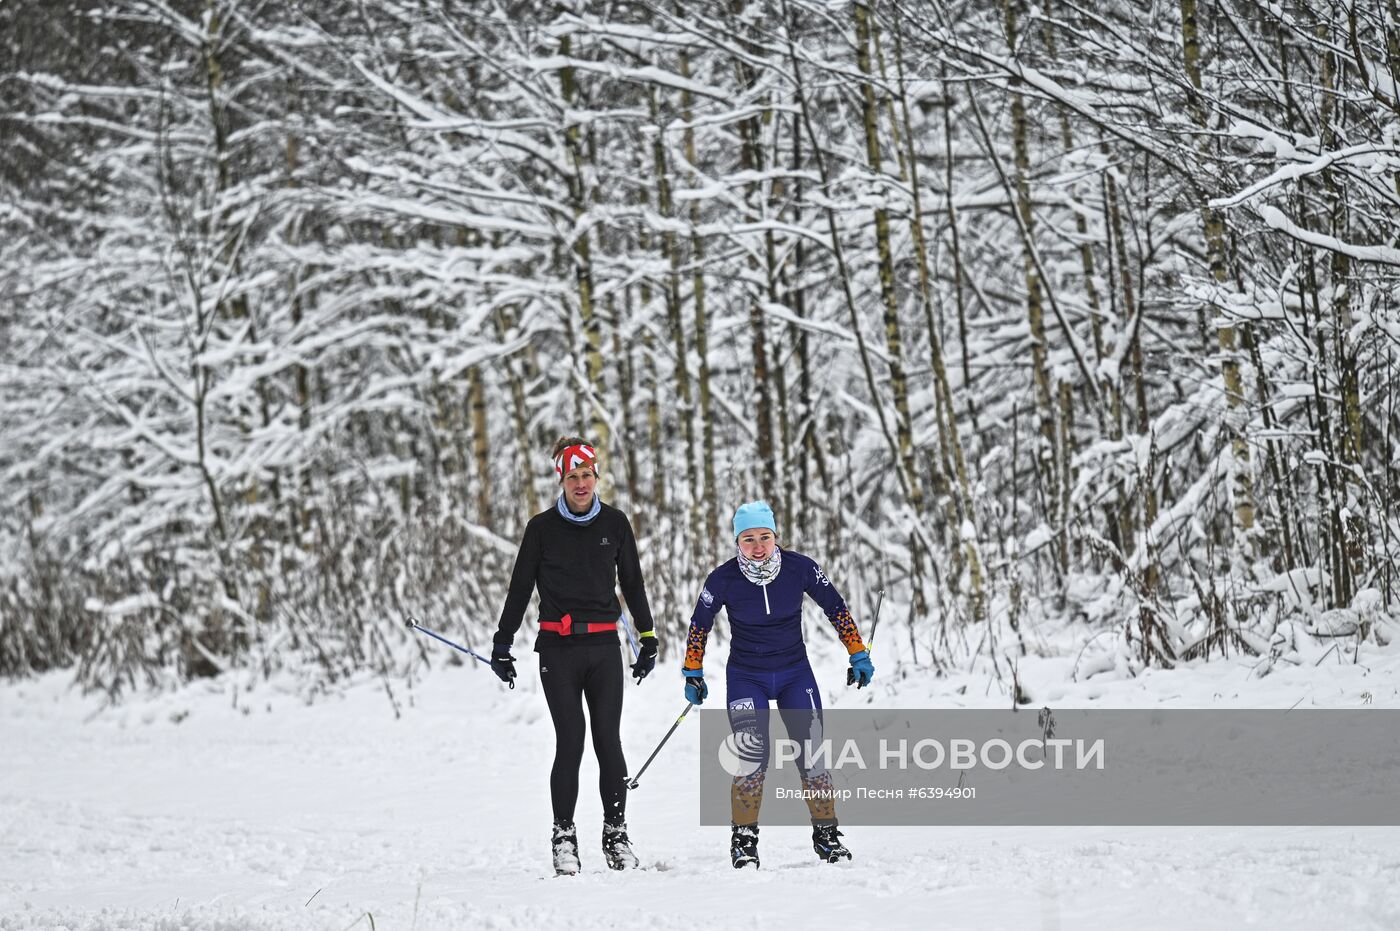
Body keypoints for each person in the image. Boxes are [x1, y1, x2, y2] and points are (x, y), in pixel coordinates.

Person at [491, 436, 659, 876]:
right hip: (559, 650)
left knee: (609, 740)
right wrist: (502, 643)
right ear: (561, 480)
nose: (581, 483)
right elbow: (520, 589)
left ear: (596, 477)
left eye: (587, 475)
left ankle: (616, 833)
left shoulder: (616, 524)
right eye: (572, 476)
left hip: (605, 648)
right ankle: (564, 837)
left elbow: (634, 585)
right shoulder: (541, 528)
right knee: (571, 740)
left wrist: (647, 637)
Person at [682, 500, 874, 868]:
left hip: (794, 675)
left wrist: (857, 652)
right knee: (752, 758)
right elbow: (699, 624)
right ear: (737, 542)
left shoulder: (801, 569)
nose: (758, 547)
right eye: (748, 538)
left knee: (812, 755)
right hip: (746, 677)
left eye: (765, 537)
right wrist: (693, 669)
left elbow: (835, 607)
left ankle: (827, 836)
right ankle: (744, 840)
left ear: (776, 537)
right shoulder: (722, 578)